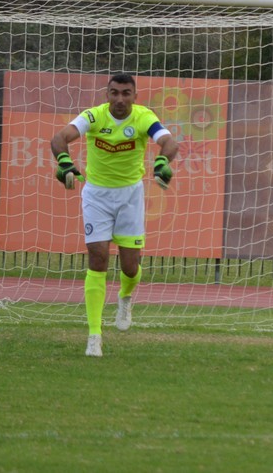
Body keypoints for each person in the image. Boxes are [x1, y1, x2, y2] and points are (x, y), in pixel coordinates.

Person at [50, 74, 179, 358]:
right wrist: (65, 162)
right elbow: (60, 138)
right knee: (98, 258)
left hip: (130, 197)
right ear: (107, 94)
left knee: (130, 267)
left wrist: (162, 161)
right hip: (96, 195)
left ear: (135, 96)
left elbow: (169, 142)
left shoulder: (144, 118)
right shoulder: (94, 116)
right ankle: (94, 336)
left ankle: (125, 297)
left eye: (126, 93)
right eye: (115, 93)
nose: (120, 99)